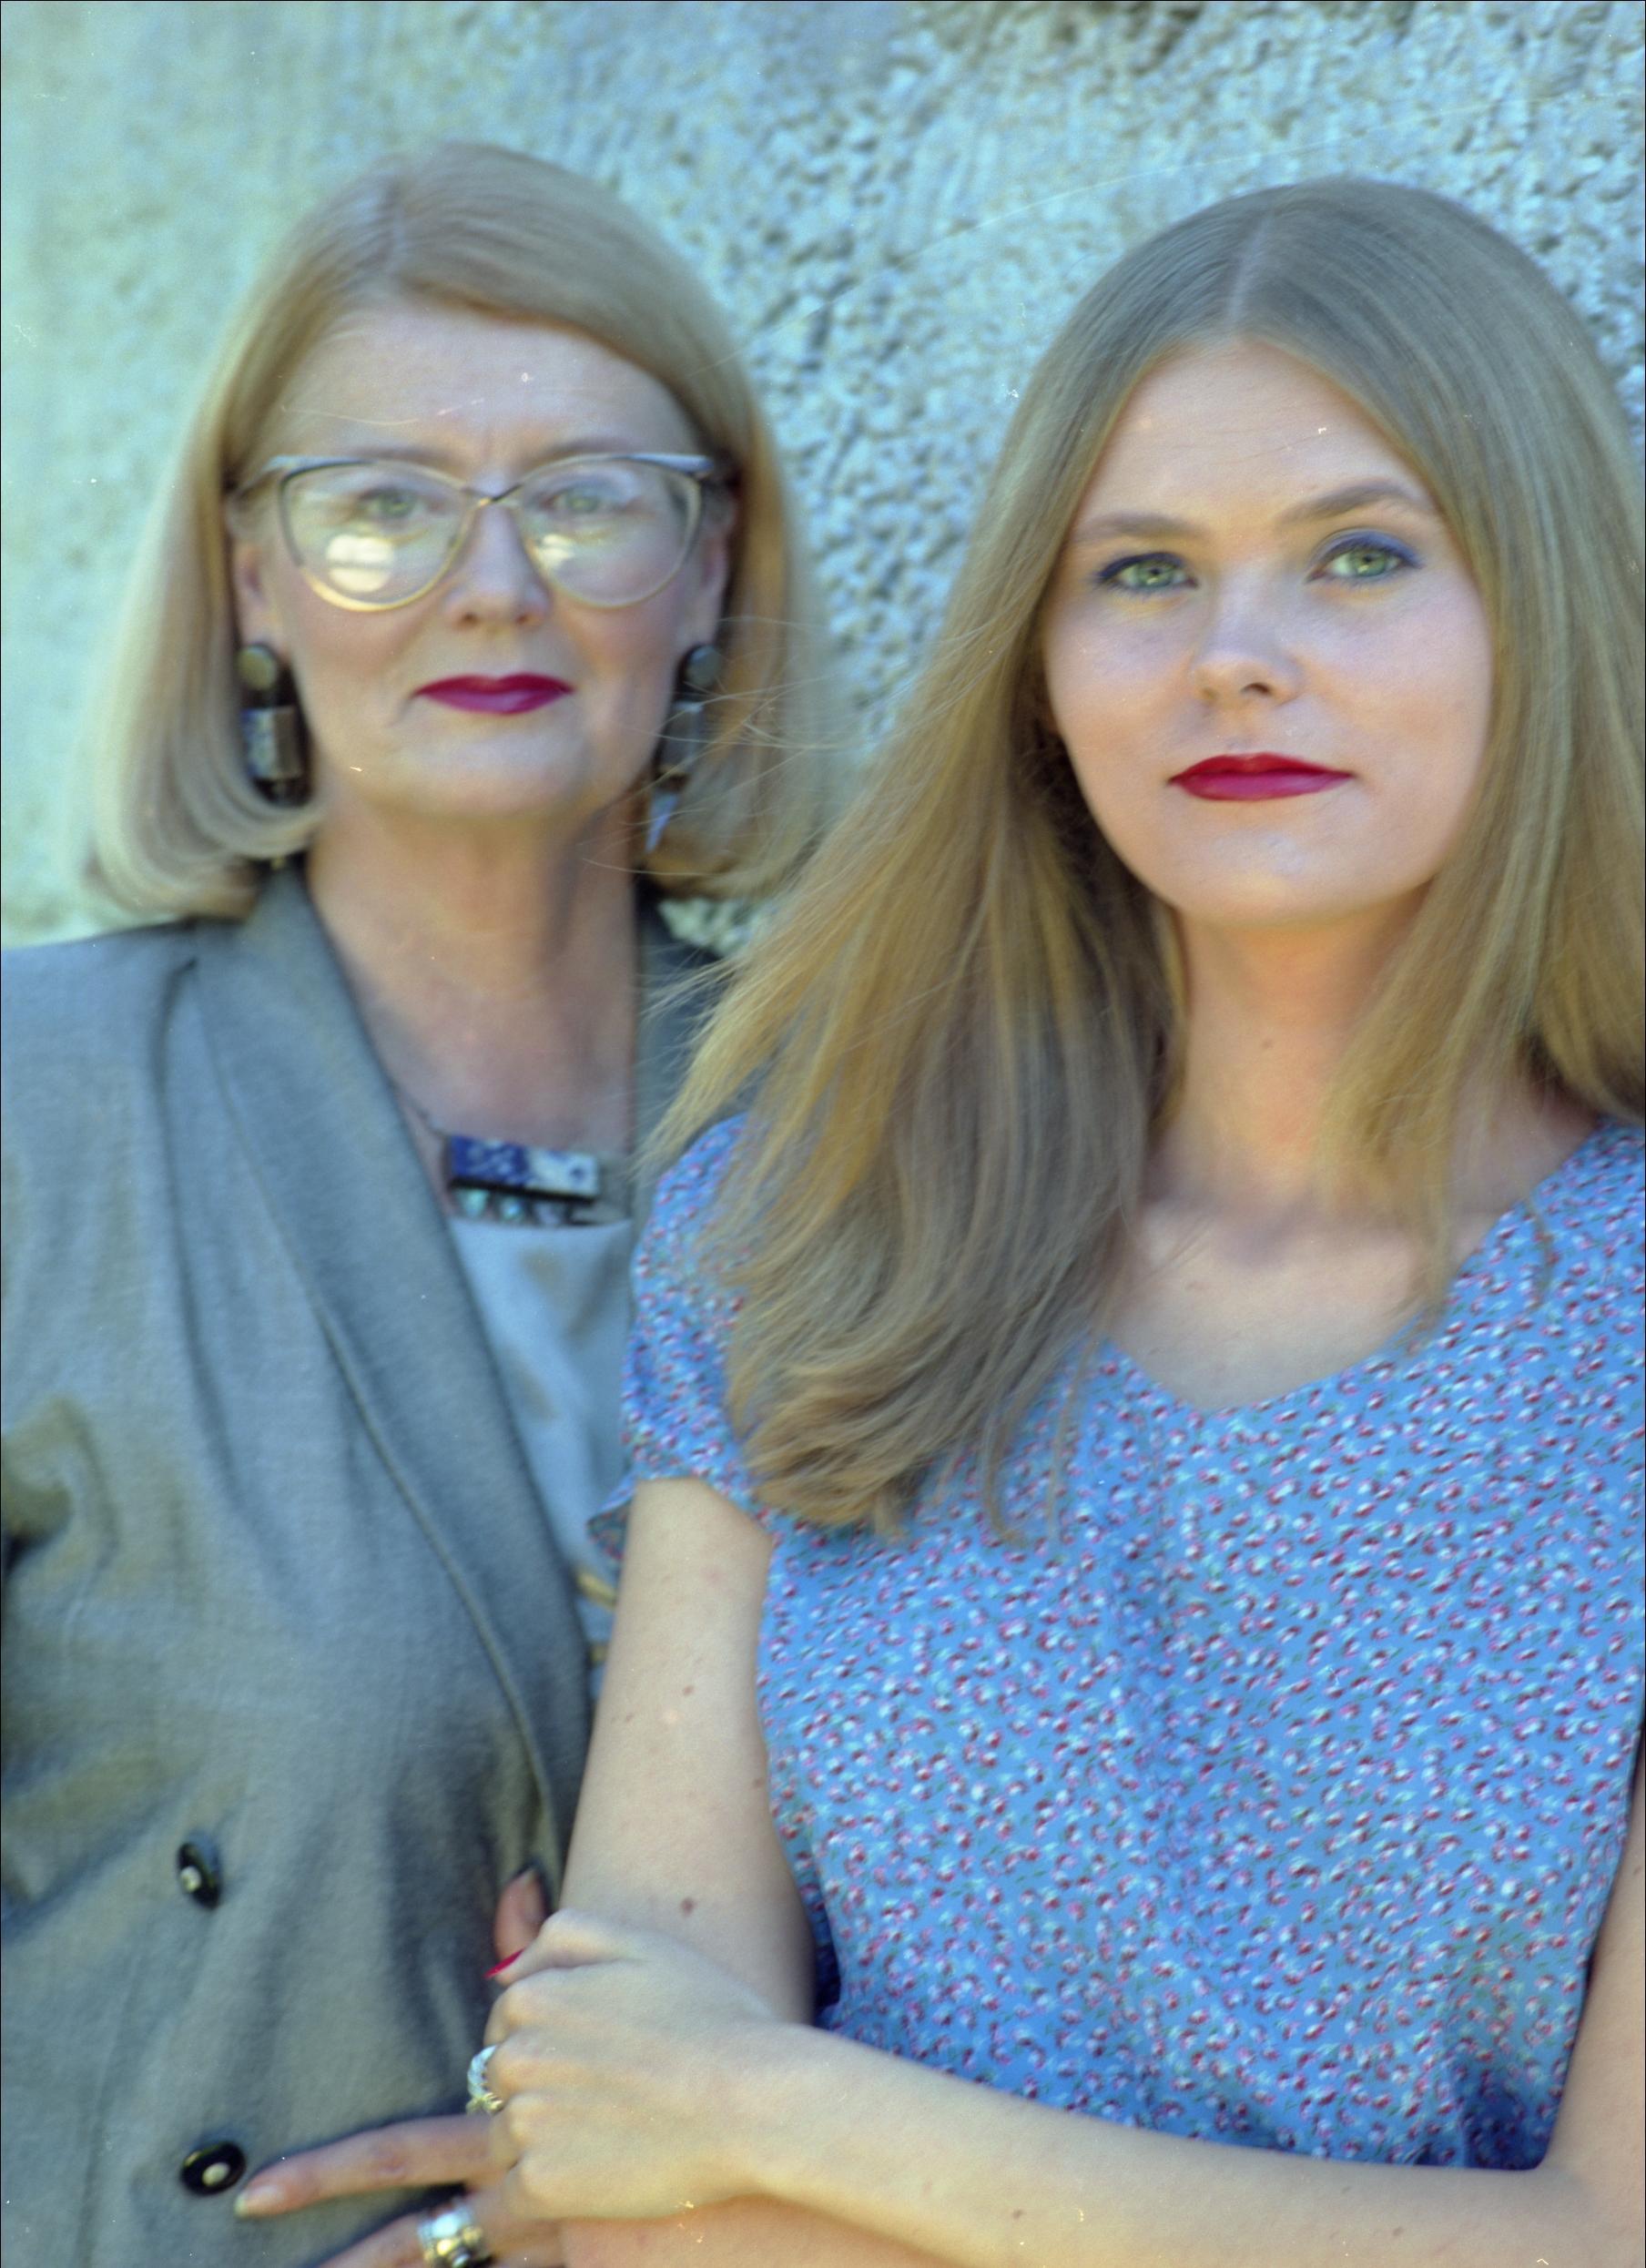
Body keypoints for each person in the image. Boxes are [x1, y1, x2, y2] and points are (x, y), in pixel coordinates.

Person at [474, 178, 1644, 2267]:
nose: (1236, 658)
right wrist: (699, 2127)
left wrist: (787, 2109)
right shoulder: (807, 1228)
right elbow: (630, 2166)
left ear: (1539, 613)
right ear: (1039, 662)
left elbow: (1604, 2235)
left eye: (1360, 555)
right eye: (1143, 572)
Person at [1, 141, 825, 2268]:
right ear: (251, 580)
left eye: (585, 498)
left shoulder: (888, 1131)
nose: (491, 584)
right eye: (378, 505)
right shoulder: (34, 1112)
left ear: (712, 565)